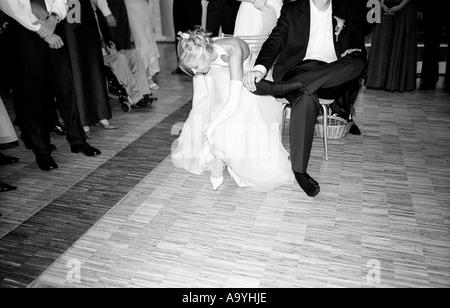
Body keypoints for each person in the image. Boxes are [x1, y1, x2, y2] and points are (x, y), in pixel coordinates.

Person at [243, 0, 367, 197]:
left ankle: (280, 88)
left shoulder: (347, 9)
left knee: (359, 62)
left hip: (330, 76)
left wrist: (353, 49)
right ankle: (299, 171)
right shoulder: (292, 9)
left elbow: (357, 43)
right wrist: (260, 68)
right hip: (298, 70)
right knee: (307, 98)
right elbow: (275, 40)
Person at [172, 27, 293, 192]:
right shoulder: (204, 59)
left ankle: (220, 158)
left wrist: (213, 128)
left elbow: (234, 99)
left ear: (204, 55)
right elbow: (212, 97)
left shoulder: (233, 49)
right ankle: (218, 157)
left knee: (235, 114)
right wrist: (210, 126)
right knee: (213, 111)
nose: (194, 72)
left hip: (245, 81)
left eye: (195, 67)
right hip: (222, 78)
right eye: (191, 69)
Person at [0, 0, 102, 172]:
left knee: (66, 88)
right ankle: (42, 151)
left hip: (52, 25)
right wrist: (43, 31)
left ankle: (78, 140)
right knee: (32, 95)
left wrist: (53, 18)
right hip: (25, 31)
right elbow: (11, 5)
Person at [59, 0, 117, 139]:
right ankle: (83, 121)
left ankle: (101, 114)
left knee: (94, 64)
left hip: (87, 14)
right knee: (78, 67)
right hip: (70, 11)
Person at [91, 1, 156, 108]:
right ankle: (134, 97)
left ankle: (144, 93)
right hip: (96, 56)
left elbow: (106, 36)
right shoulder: (83, 21)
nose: (94, 3)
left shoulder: (98, 14)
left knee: (134, 53)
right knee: (119, 58)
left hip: (108, 51)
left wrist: (111, 44)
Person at [365, 0, 418, 92]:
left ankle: (395, 82)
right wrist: (381, 3)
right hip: (386, 7)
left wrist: (400, 6)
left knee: (399, 42)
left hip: (404, 10)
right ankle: (378, 80)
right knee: (383, 41)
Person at [123, 0, 161, 89]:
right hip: (131, 6)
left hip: (144, 5)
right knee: (142, 41)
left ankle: (148, 72)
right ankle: (147, 78)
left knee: (148, 39)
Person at [419, 0, 450, 92]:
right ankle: (428, 80)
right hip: (432, 8)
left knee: (431, 44)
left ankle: (428, 80)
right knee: (430, 45)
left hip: (433, 8)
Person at [171, 0, 203, 75]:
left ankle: (196, 64)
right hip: (179, 4)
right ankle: (181, 65)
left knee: (195, 33)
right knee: (180, 34)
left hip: (194, 4)